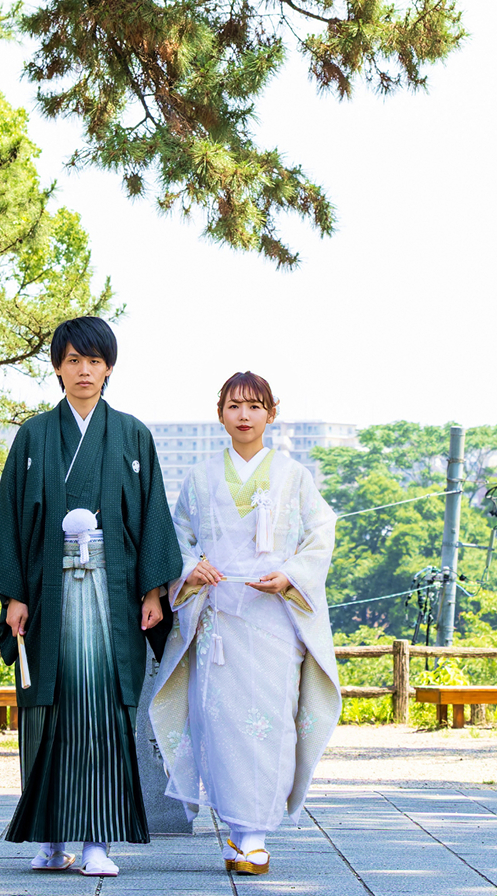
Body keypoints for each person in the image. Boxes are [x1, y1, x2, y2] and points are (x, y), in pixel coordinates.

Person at [0, 317, 181, 878]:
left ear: (108, 368)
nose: (83, 371)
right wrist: (13, 595)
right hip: (47, 597)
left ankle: (96, 843)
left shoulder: (133, 434)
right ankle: (52, 836)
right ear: (58, 368)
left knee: (103, 714)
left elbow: (150, 518)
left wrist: (154, 590)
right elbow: (11, 520)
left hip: (112, 598)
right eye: (72, 361)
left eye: (93, 361)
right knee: (48, 713)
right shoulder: (34, 436)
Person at [148, 372, 341, 876]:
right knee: (220, 728)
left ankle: (255, 836)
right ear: (221, 414)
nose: (245, 415)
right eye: (234, 406)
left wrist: (291, 575)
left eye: (255, 406)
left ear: (271, 414)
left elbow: (320, 535)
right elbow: (178, 539)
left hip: (274, 621)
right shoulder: (199, 476)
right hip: (218, 623)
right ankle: (239, 836)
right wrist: (192, 568)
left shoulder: (295, 475)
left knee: (270, 726)